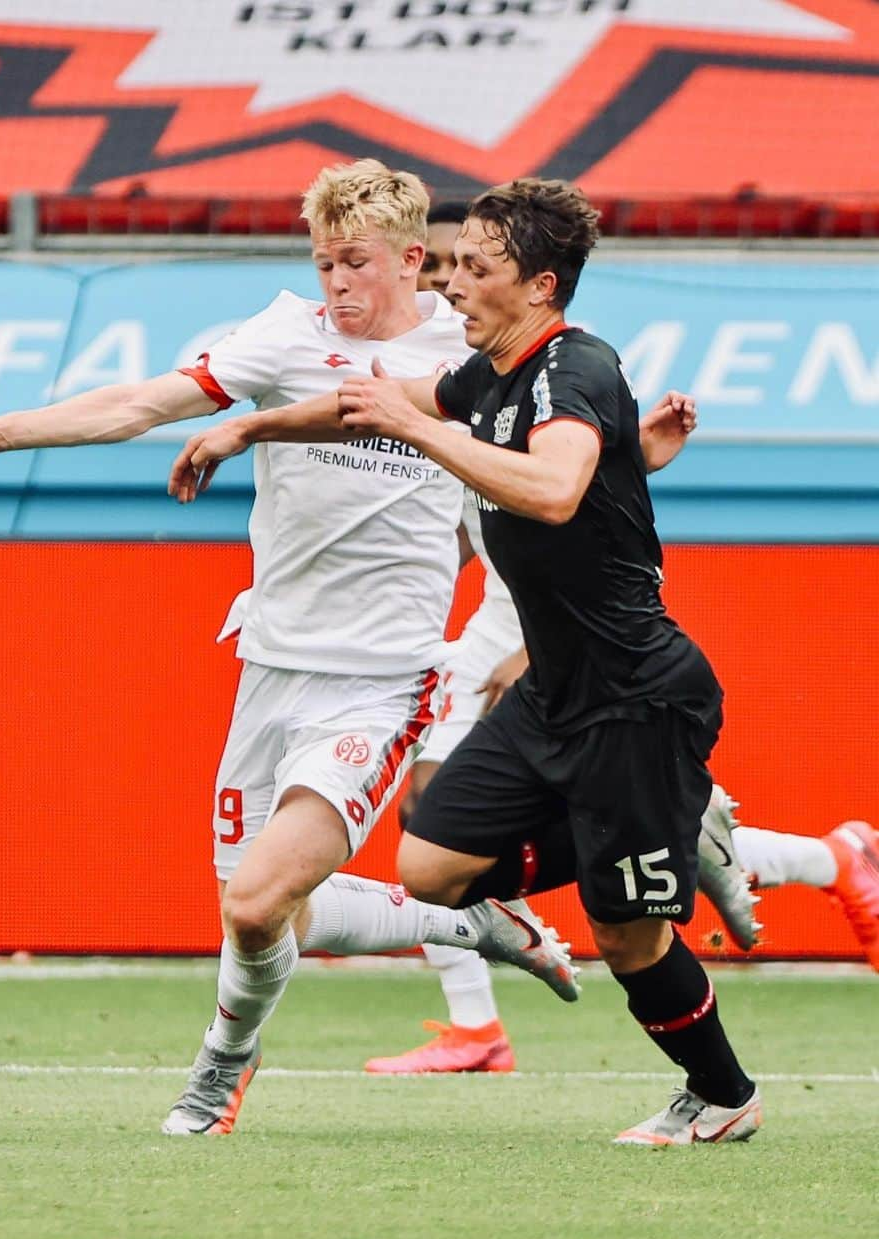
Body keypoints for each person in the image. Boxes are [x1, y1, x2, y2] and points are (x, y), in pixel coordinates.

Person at [0, 160, 590, 1138]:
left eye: (355, 263)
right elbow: (141, 404)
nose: (337, 285)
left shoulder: (468, 357)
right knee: (273, 914)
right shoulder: (284, 337)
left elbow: (559, 471)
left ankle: (220, 1070)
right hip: (271, 668)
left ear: (412, 259)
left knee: (257, 897)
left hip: (384, 682)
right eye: (323, 265)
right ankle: (469, 919)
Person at [326, 176, 761, 1144]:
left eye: (477, 268)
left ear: (541, 285)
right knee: (431, 866)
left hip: (638, 698)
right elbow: (375, 397)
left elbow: (558, 489)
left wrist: (420, 430)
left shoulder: (576, 367)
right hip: (552, 691)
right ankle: (667, 833)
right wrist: (240, 419)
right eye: (450, 265)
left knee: (628, 936)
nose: (452, 286)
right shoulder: (490, 377)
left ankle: (726, 1094)